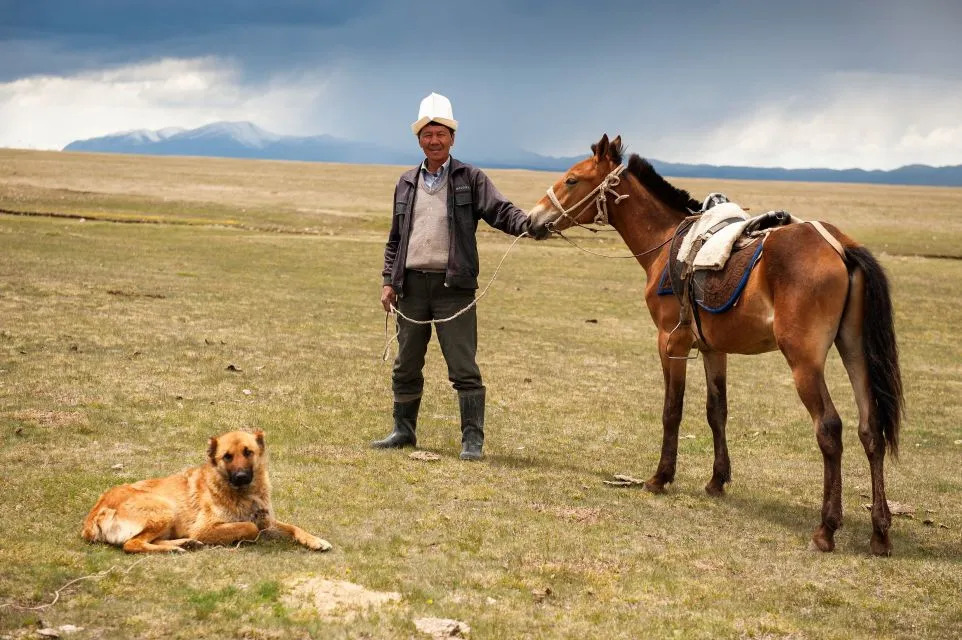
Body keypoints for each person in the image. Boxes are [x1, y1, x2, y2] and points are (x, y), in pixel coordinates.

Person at [375, 92, 531, 460]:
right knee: (406, 362)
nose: (434, 140)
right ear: (419, 139)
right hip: (410, 286)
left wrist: (528, 224)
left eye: (440, 134)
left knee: (463, 365)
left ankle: (472, 441)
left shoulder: (470, 178)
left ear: (452, 138)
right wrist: (388, 280)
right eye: (427, 134)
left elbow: (501, 211)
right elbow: (396, 237)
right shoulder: (406, 182)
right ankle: (403, 431)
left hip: (453, 288)